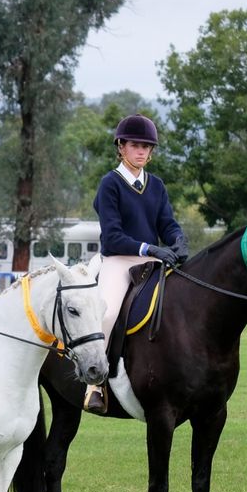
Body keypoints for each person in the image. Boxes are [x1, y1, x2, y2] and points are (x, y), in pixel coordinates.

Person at [83, 114, 188, 414]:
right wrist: (150, 246)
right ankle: (95, 383)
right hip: (118, 260)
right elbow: (113, 236)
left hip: (153, 259)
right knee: (108, 312)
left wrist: (178, 239)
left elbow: (167, 223)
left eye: (146, 146)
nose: (141, 151)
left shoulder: (156, 185)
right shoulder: (110, 184)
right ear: (121, 147)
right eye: (135, 145)